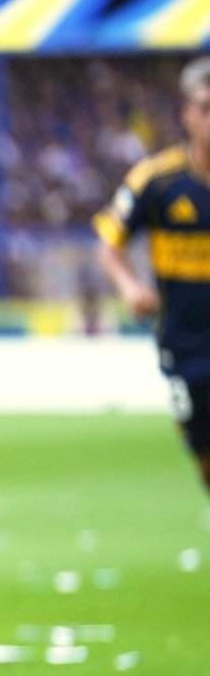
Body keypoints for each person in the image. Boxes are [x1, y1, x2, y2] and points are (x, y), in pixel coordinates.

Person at [94, 56, 210, 496]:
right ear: (188, 115)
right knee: (203, 454)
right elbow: (109, 240)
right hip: (185, 344)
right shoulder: (157, 181)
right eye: (206, 108)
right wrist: (129, 285)